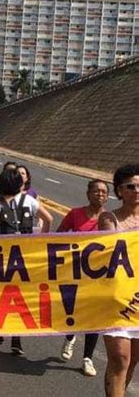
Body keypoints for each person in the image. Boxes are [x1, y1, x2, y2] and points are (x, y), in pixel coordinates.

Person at [0, 169, 53, 356]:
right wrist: (40, 242)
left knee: (2, 295)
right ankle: (17, 337)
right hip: (26, 256)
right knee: (21, 296)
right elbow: (49, 219)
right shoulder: (29, 201)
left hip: (4, 258)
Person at [57, 179, 109, 377]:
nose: (100, 194)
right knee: (74, 311)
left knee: (94, 317)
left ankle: (87, 358)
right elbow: (59, 236)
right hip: (76, 273)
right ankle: (70, 337)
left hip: (100, 276)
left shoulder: (110, 218)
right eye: (96, 191)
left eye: (104, 192)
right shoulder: (75, 214)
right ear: (88, 194)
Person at [98, 164, 139, 397]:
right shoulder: (109, 219)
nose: (136, 190)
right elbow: (110, 252)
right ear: (120, 190)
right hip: (115, 300)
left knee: (132, 361)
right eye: (130, 186)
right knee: (120, 358)